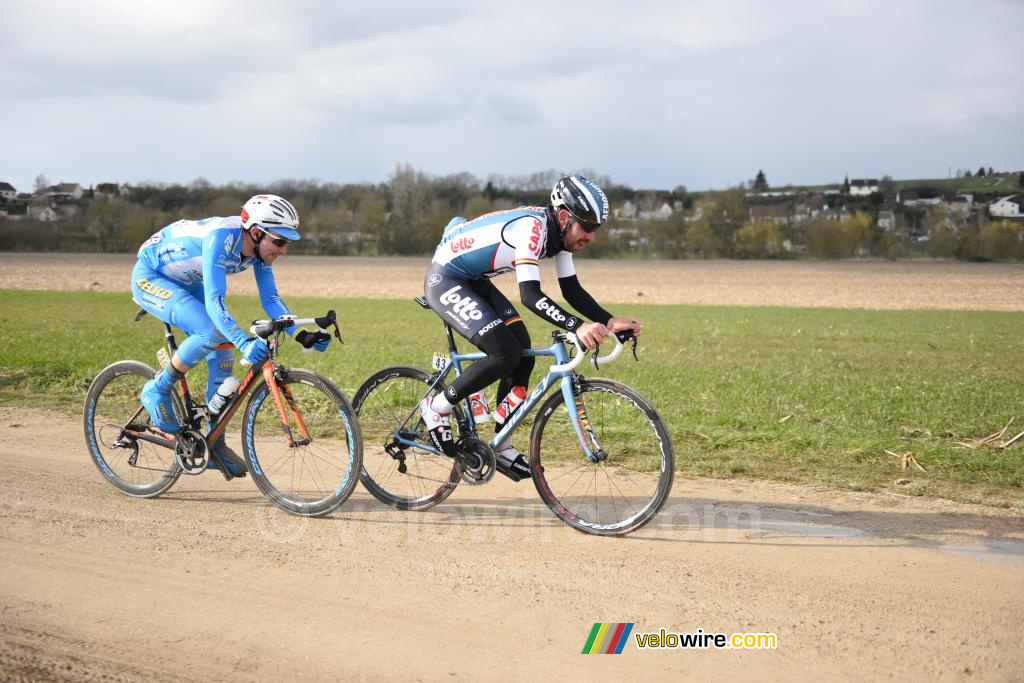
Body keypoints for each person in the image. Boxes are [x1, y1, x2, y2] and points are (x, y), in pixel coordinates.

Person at [421, 175, 643, 479]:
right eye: (588, 227)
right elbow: (530, 295)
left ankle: (501, 445)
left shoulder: (561, 237)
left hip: (474, 281)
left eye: (596, 229)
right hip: (446, 279)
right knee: (503, 352)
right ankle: (437, 406)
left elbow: (572, 291)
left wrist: (608, 321)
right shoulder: (533, 228)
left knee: (522, 353)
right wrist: (577, 326)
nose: (591, 237)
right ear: (565, 217)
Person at [131, 194, 332, 478]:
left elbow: (271, 300)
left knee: (222, 350)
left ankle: (215, 443)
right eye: (280, 241)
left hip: (186, 281)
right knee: (211, 331)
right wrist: (244, 342)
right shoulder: (220, 239)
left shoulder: (260, 250)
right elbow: (215, 301)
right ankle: (158, 388)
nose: (284, 249)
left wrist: (300, 334)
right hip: (151, 277)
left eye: (287, 242)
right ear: (256, 232)